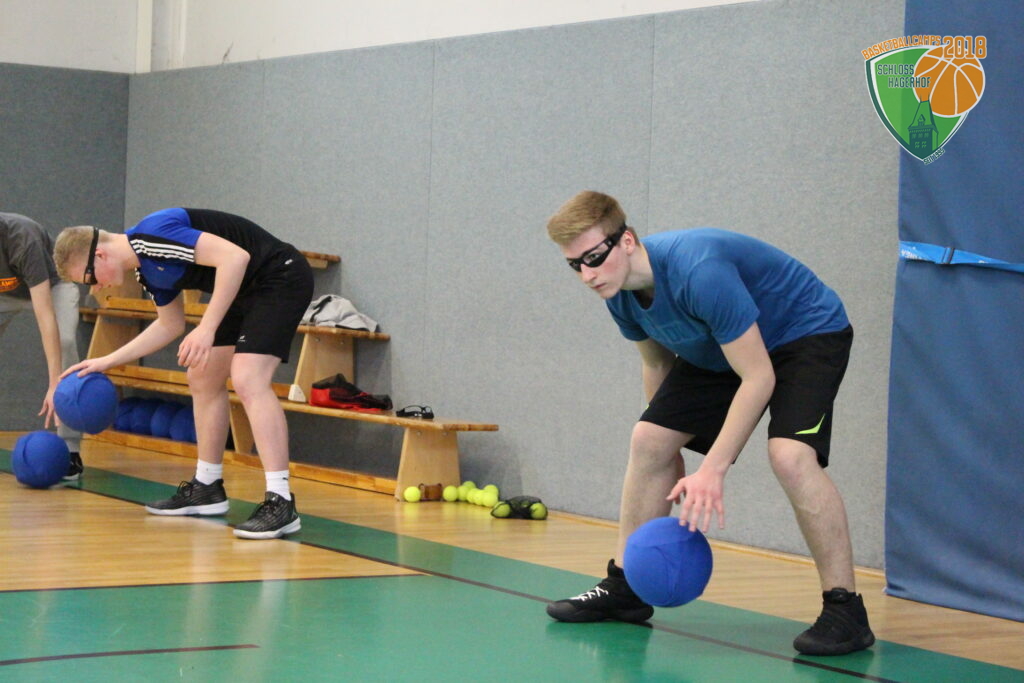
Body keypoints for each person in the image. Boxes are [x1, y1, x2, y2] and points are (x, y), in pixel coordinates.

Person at [543, 191, 874, 656]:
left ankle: (845, 610)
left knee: (790, 455)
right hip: (724, 342)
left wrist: (712, 469)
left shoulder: (699, 272)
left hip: (804, 331)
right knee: (648, 439)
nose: (587, 275)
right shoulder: (619, 294)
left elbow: (758, 377)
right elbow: (657, 363)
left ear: (627, 241)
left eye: (593, 258)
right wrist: (667, 447)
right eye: (574, 265)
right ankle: (626, 587)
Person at [54, 208, 314, 540]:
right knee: (202, 375)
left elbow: (235, 258)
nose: (96, 287)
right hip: (244, 289)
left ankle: (280, 501)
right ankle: (207, 486)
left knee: (248, 377)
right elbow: (170, 324)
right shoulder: (146, 271)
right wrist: (106, 361)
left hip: (279, 276)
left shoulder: (153, 235)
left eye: (90, 278)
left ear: (100, 255)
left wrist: (206, 328)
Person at [1, 212, 83, 479]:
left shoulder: (22, 238)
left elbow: (45, 314)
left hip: (53, 285)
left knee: (64, 341)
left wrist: (54, 383)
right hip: (5, 294)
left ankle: (70, 448)